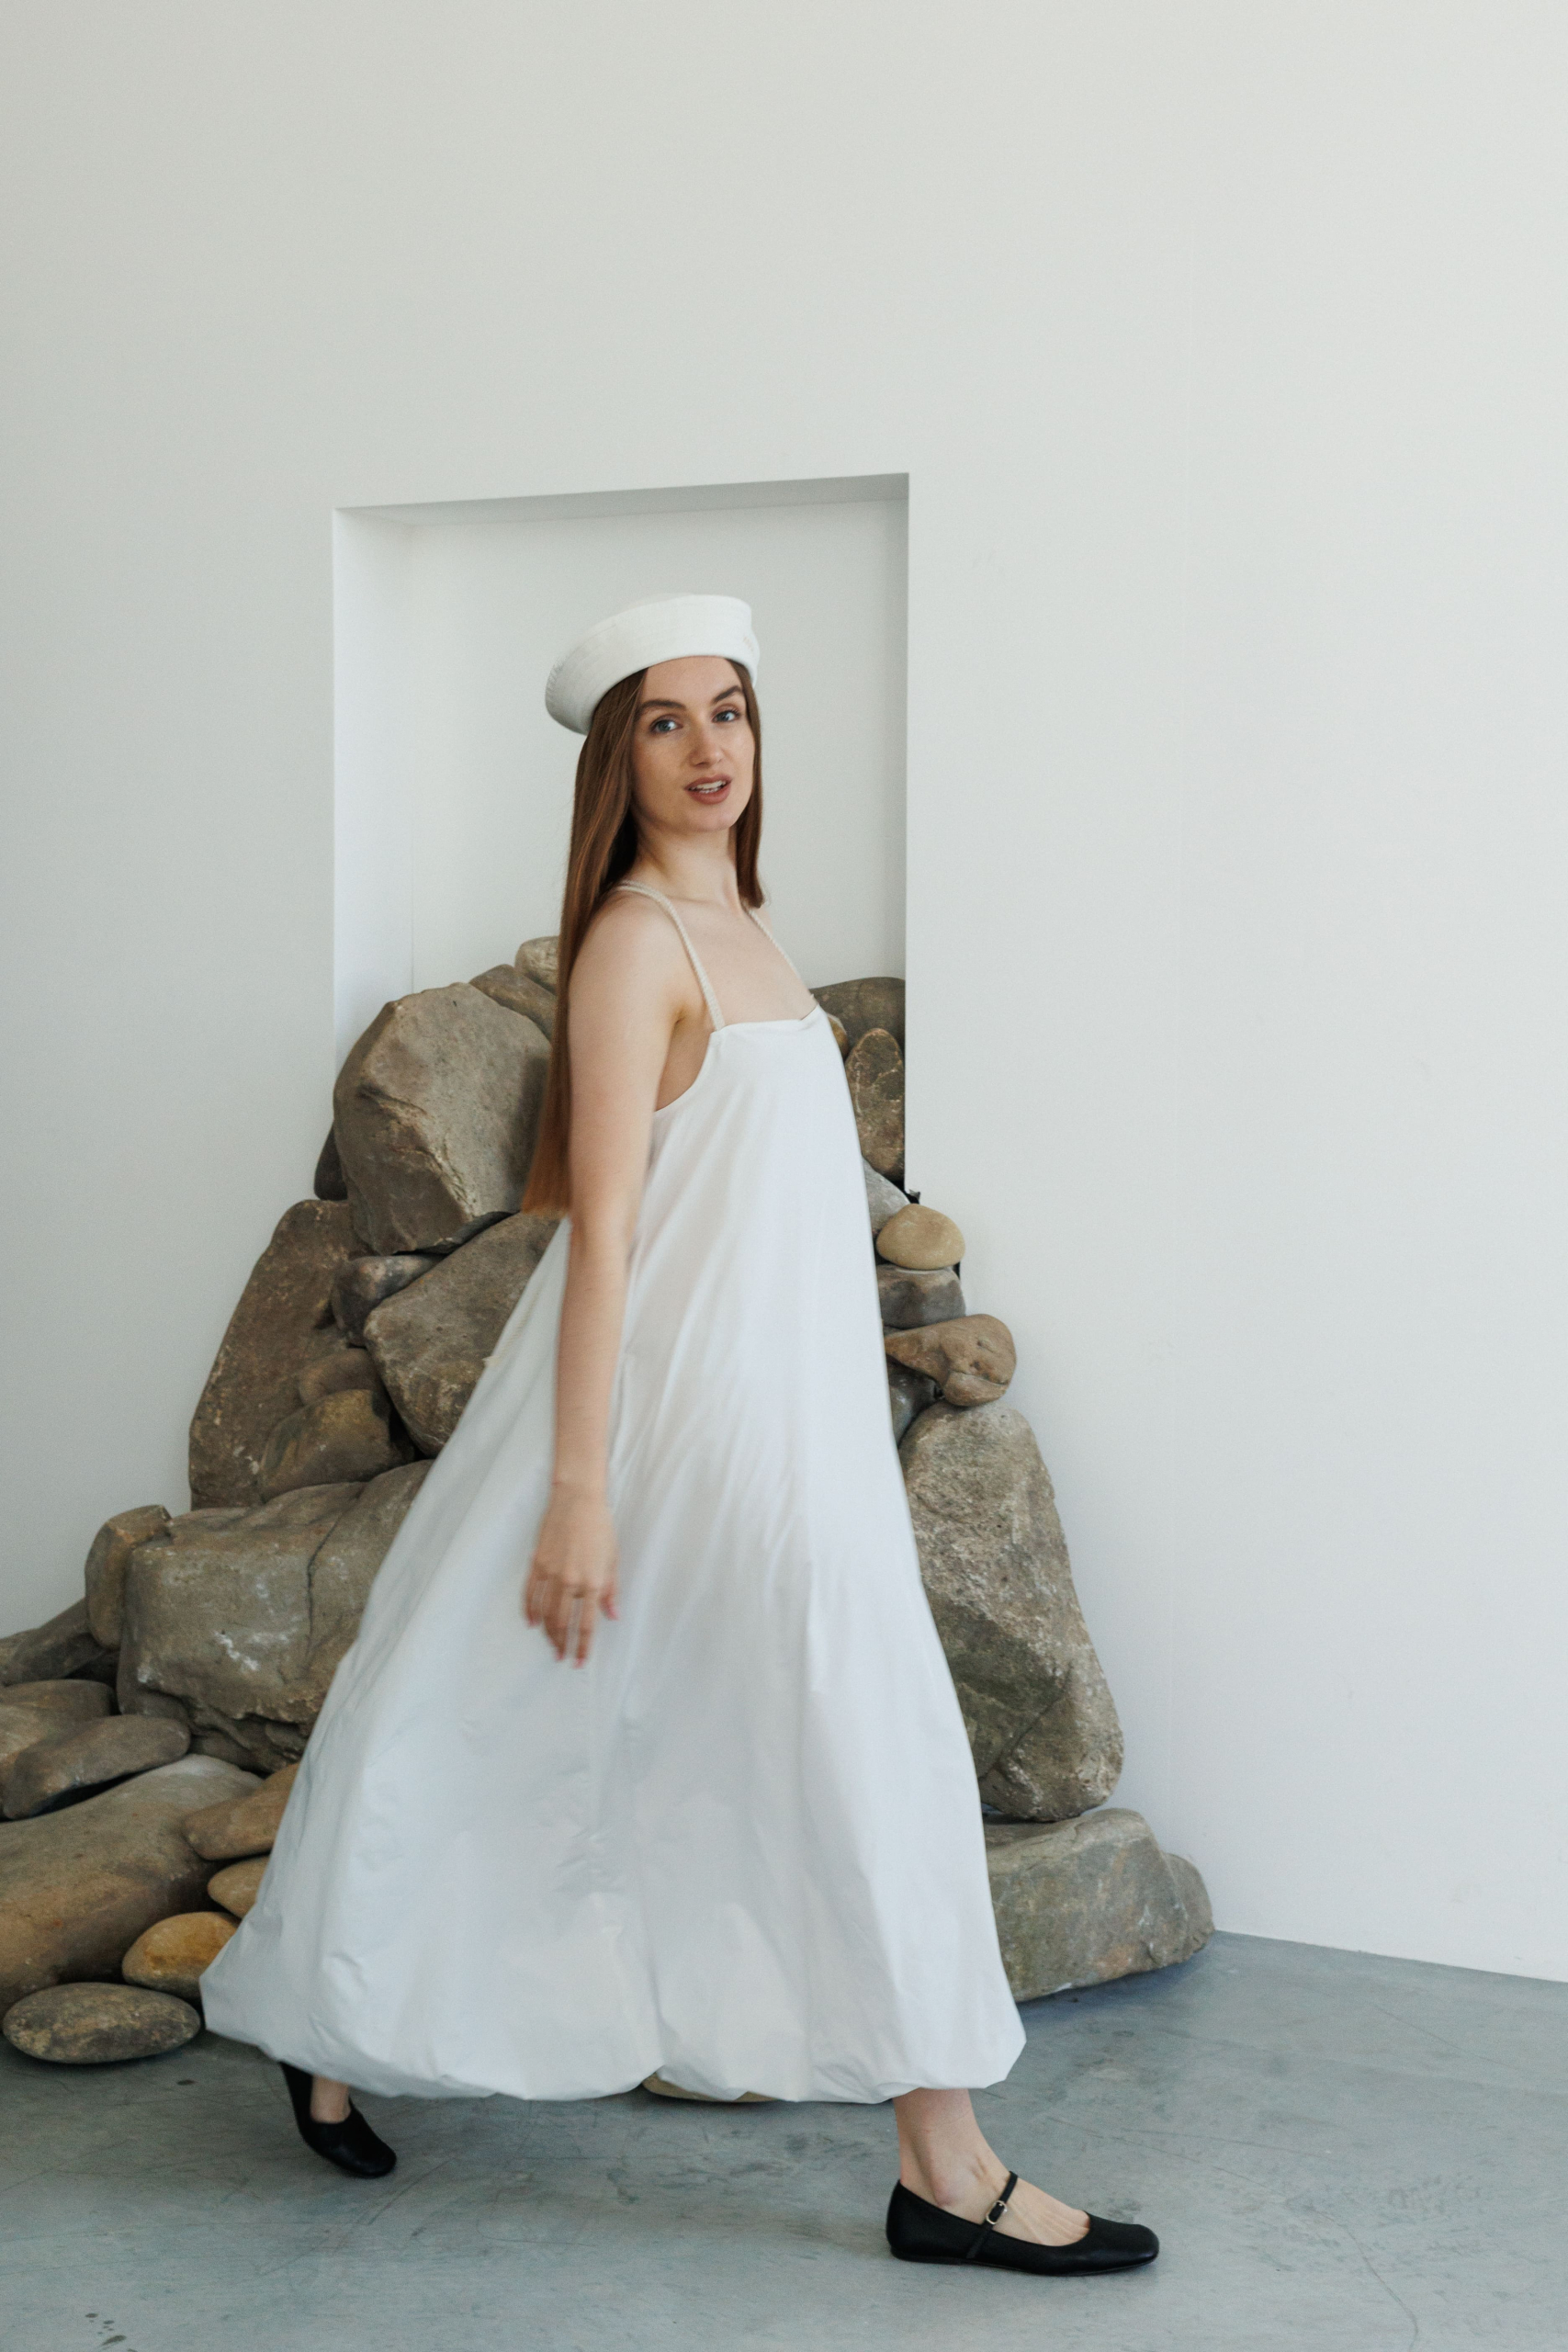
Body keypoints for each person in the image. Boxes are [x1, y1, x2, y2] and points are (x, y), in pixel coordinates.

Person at [201, 594, 1158, 2279]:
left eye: (731, 710)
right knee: (676, 1728)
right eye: (666, 720)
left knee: (541, 1722)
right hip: (687, 1423)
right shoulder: (638, 946)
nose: (711, 746)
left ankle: (332, 2019)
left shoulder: (753, 928)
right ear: (616, 760)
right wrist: (579, 1492)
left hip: (793, 1419)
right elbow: (607, 1244)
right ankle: (945, 2168)